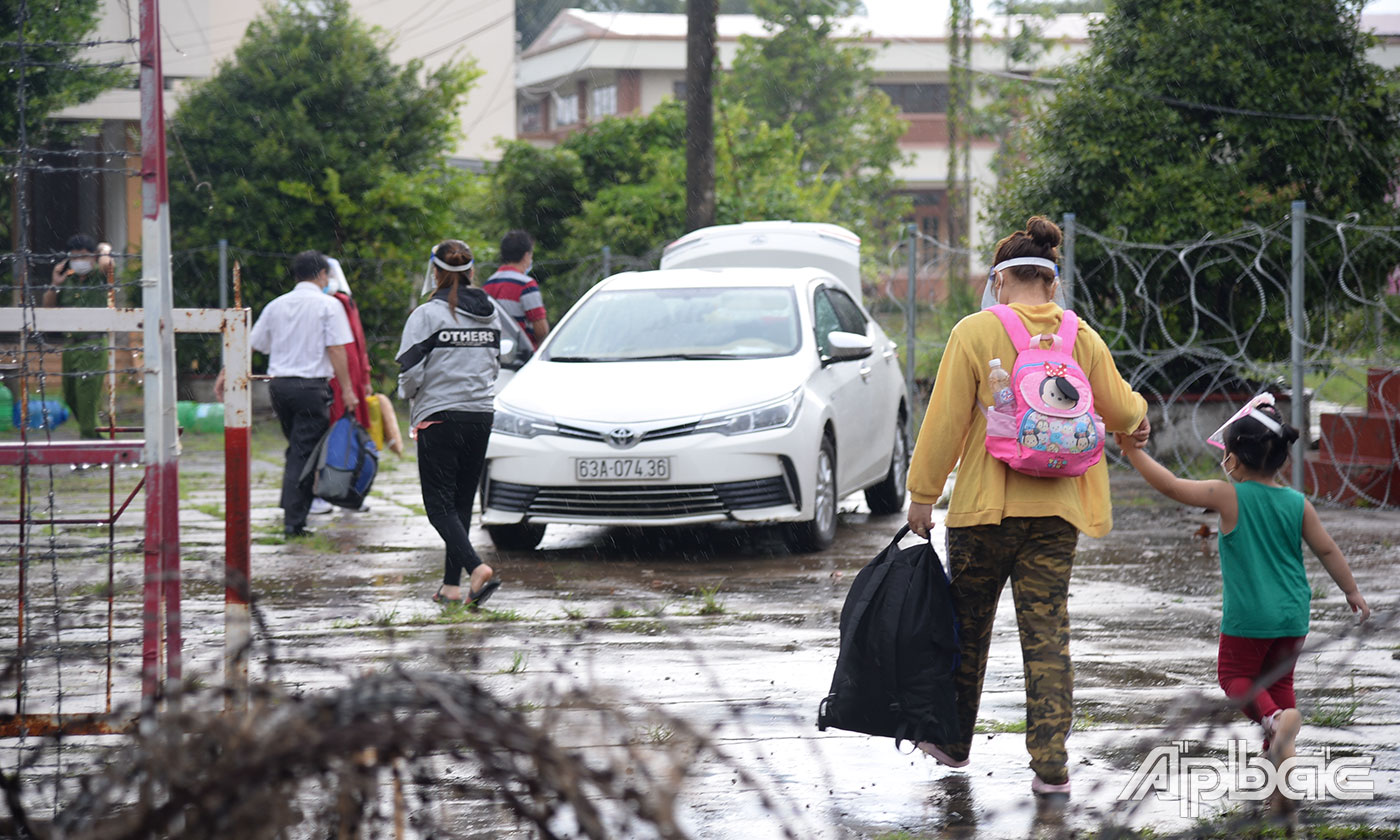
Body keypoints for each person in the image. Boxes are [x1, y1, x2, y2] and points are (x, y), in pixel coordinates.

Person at [906, 216, 1151, 797]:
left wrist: (922, 494)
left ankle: (952, 742)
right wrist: (1137, 422)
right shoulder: (1080, 337)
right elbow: (1120, 409)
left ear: (999, 283)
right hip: (1056, 514)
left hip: (981, 514)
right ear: (1053, 284)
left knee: (966, 630)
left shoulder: (975, 331)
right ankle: (1050, 766)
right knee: (1047, 636)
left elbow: (945, 420)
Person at [1116, 402, 1369, 811]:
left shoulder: (1226, 494)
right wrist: (1351, 591)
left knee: (1235, 678)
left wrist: (1133, 451)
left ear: (1234, 457)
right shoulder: (1297, 502)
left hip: (1249, 617)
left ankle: (1274, 723)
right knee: (1279, 689)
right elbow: (1326, 548)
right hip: (1292, 615)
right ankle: (1280, 785)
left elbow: (1171, 486)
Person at [397, 239, 512, 608]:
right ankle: (450, 587)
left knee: (438, 506)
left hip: (440, 416)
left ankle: (476, 569)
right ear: (471, 271)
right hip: (480, 415)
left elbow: (411, 372)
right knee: (461, 502)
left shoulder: (426, 315)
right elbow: (495, 361)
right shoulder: (490, 310)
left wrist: (409, 395)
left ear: (436, 272)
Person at [218, 251, 356, 538]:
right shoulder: (329, 306)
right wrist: (347, 390)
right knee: (303, 452)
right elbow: (336, 349)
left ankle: (295, 511)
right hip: (311, 388)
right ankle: (294, 520)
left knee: (298, 448)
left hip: (279, 388)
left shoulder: (276, 305)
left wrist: (224, 371)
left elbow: (251, 344)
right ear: (322, 275)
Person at [311, 257, 373, 516]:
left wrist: (365, 377)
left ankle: (348, 492)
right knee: (330, 436)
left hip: (351, 377)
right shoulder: (326, 304)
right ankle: (321, 493)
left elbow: (358, 342)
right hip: (334, 377)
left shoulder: (346, 302)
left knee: (350, 437)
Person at [43, 235, 115, 439]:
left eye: (83, 256)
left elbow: (108, 264)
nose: (79, 261)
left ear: (93, 257)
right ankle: (98, 439)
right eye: (74, 257)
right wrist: (55, 283)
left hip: (93, 344)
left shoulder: (101, 277)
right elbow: (48, 307)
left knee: (87, 398)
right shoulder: (69, 280)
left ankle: (91, 444)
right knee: (72, 397)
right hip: (71, 345)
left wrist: (104, 249)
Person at [482, 229, 548, 348]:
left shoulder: (488, 284)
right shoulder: (527, 285)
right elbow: (541, 330)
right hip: (522, 352)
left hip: (496, 351)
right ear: (526, 255)